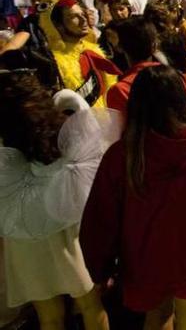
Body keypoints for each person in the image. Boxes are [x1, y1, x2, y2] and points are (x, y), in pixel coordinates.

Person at [81, 65, 186, 330]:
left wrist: (99, 270)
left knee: (156, 320)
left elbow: (100, 220)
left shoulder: (122, 155)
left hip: (145, 263)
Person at [0, 74, 116, 330]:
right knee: (90, 306)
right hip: (67, 234)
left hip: (25, 240)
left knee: (49, 318)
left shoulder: (5, 155)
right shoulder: (64, 137)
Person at [106, 17, 161, 114]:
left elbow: (120, 128)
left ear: (119, 47)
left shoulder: (119, 91)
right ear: (155, 46)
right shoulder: (172, 75)